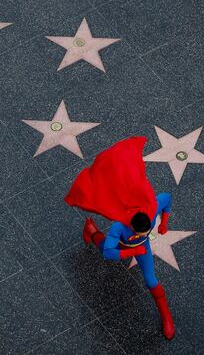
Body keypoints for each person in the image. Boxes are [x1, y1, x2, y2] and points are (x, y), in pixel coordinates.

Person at [65, 136, 175, 340]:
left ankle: (166, 317)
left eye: (147, 229)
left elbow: (167, 199)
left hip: (142, 248)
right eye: (143, 231)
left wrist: (163, 223)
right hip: (127, 246)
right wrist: (132, 251)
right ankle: (93, 232)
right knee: (103, 245)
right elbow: (109, 253)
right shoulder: (118, 226)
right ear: (131, 224)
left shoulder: (151, 209)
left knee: (151, 280)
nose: (145, 232)